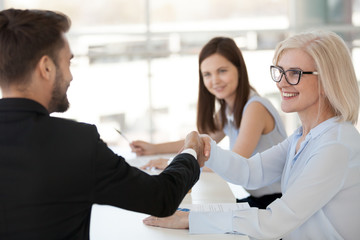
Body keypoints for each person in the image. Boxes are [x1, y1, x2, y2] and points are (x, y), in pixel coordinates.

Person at [0, 8, 210, 240]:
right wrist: (191, 149)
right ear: (46, 68)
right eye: (68, 63)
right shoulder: (75, 143)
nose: (70, 76)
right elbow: (162, 197)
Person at [143, 30, 360, 239]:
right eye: (280, 71)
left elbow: (274, 222)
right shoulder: (304, 135)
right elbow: (250, 171)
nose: (281, 82)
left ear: (327, 81)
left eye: (294, 73)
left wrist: (192, 219)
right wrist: (207, 147)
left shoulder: (335, 146)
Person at [131, 37, 287, 209]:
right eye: (207, 74)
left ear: (239, 69)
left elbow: (233, 164)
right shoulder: (229, 109)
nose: (215, 80)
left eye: (222, 71)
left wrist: (171, 164)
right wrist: (152, 148)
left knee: (194, 217)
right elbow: (197, 144)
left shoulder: (255, 108)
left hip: (276, 203)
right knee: (190, 215)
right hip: (261, 200)